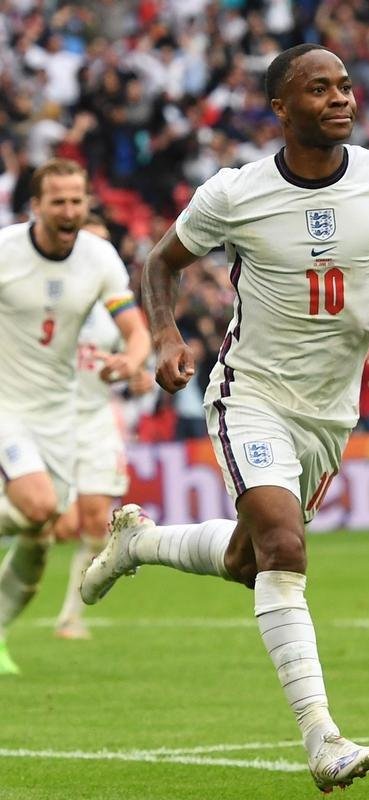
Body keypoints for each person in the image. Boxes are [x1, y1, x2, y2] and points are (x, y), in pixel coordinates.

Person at [81, 44, 369, 792]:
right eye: (319, 89)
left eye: (344, 85)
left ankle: (139, 543)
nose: (340, 98)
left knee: (251, 560)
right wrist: (170, 337)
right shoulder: (233, 193)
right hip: (253, 394)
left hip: (331, 411)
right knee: (282, 546)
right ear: (280, 107)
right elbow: (160, 264)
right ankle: (322, 738)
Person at [0, 158, 151, 673]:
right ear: (36, 205)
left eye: (76, 200)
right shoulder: (6, 252)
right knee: (40, 503)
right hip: (6, 404)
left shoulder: (99, 257)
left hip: (59, 414)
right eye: (57, 201)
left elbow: (134, 329)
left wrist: (131, 361)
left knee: (43, 531)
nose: (68, 210)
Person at [53, 214, 154, 640]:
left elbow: (137, 367)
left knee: (97, 523)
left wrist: (134, 374)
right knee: (54, 526)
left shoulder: (117, 311)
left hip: (95, 418)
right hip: (48, 419)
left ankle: (70, 618)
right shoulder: (48, 297)